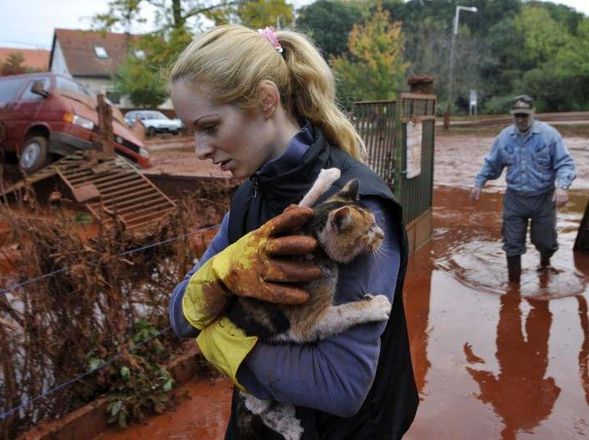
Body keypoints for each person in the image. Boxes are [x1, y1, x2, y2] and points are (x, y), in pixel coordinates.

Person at [167, 25, 418, 439]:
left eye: (209, 126)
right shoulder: (249, 195)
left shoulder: (358, 208)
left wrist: (223, 342)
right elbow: (179, 314)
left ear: (266, 100)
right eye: (191, 130)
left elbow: (341, 385)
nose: (199, 149)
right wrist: (217, 276)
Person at [470, 95, 576, 284]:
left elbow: (565, 163)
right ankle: (514, 288)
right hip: (515, 199)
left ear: (533, 113)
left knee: (545, 242)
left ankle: (545, 261)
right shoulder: (504, 138)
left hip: (543, 198)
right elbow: (491, 164)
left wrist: (562, 187)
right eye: (516, 115)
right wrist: (479, 182)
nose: (520, 119)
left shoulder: (549, 136)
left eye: (524, 115)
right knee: (512, 245)